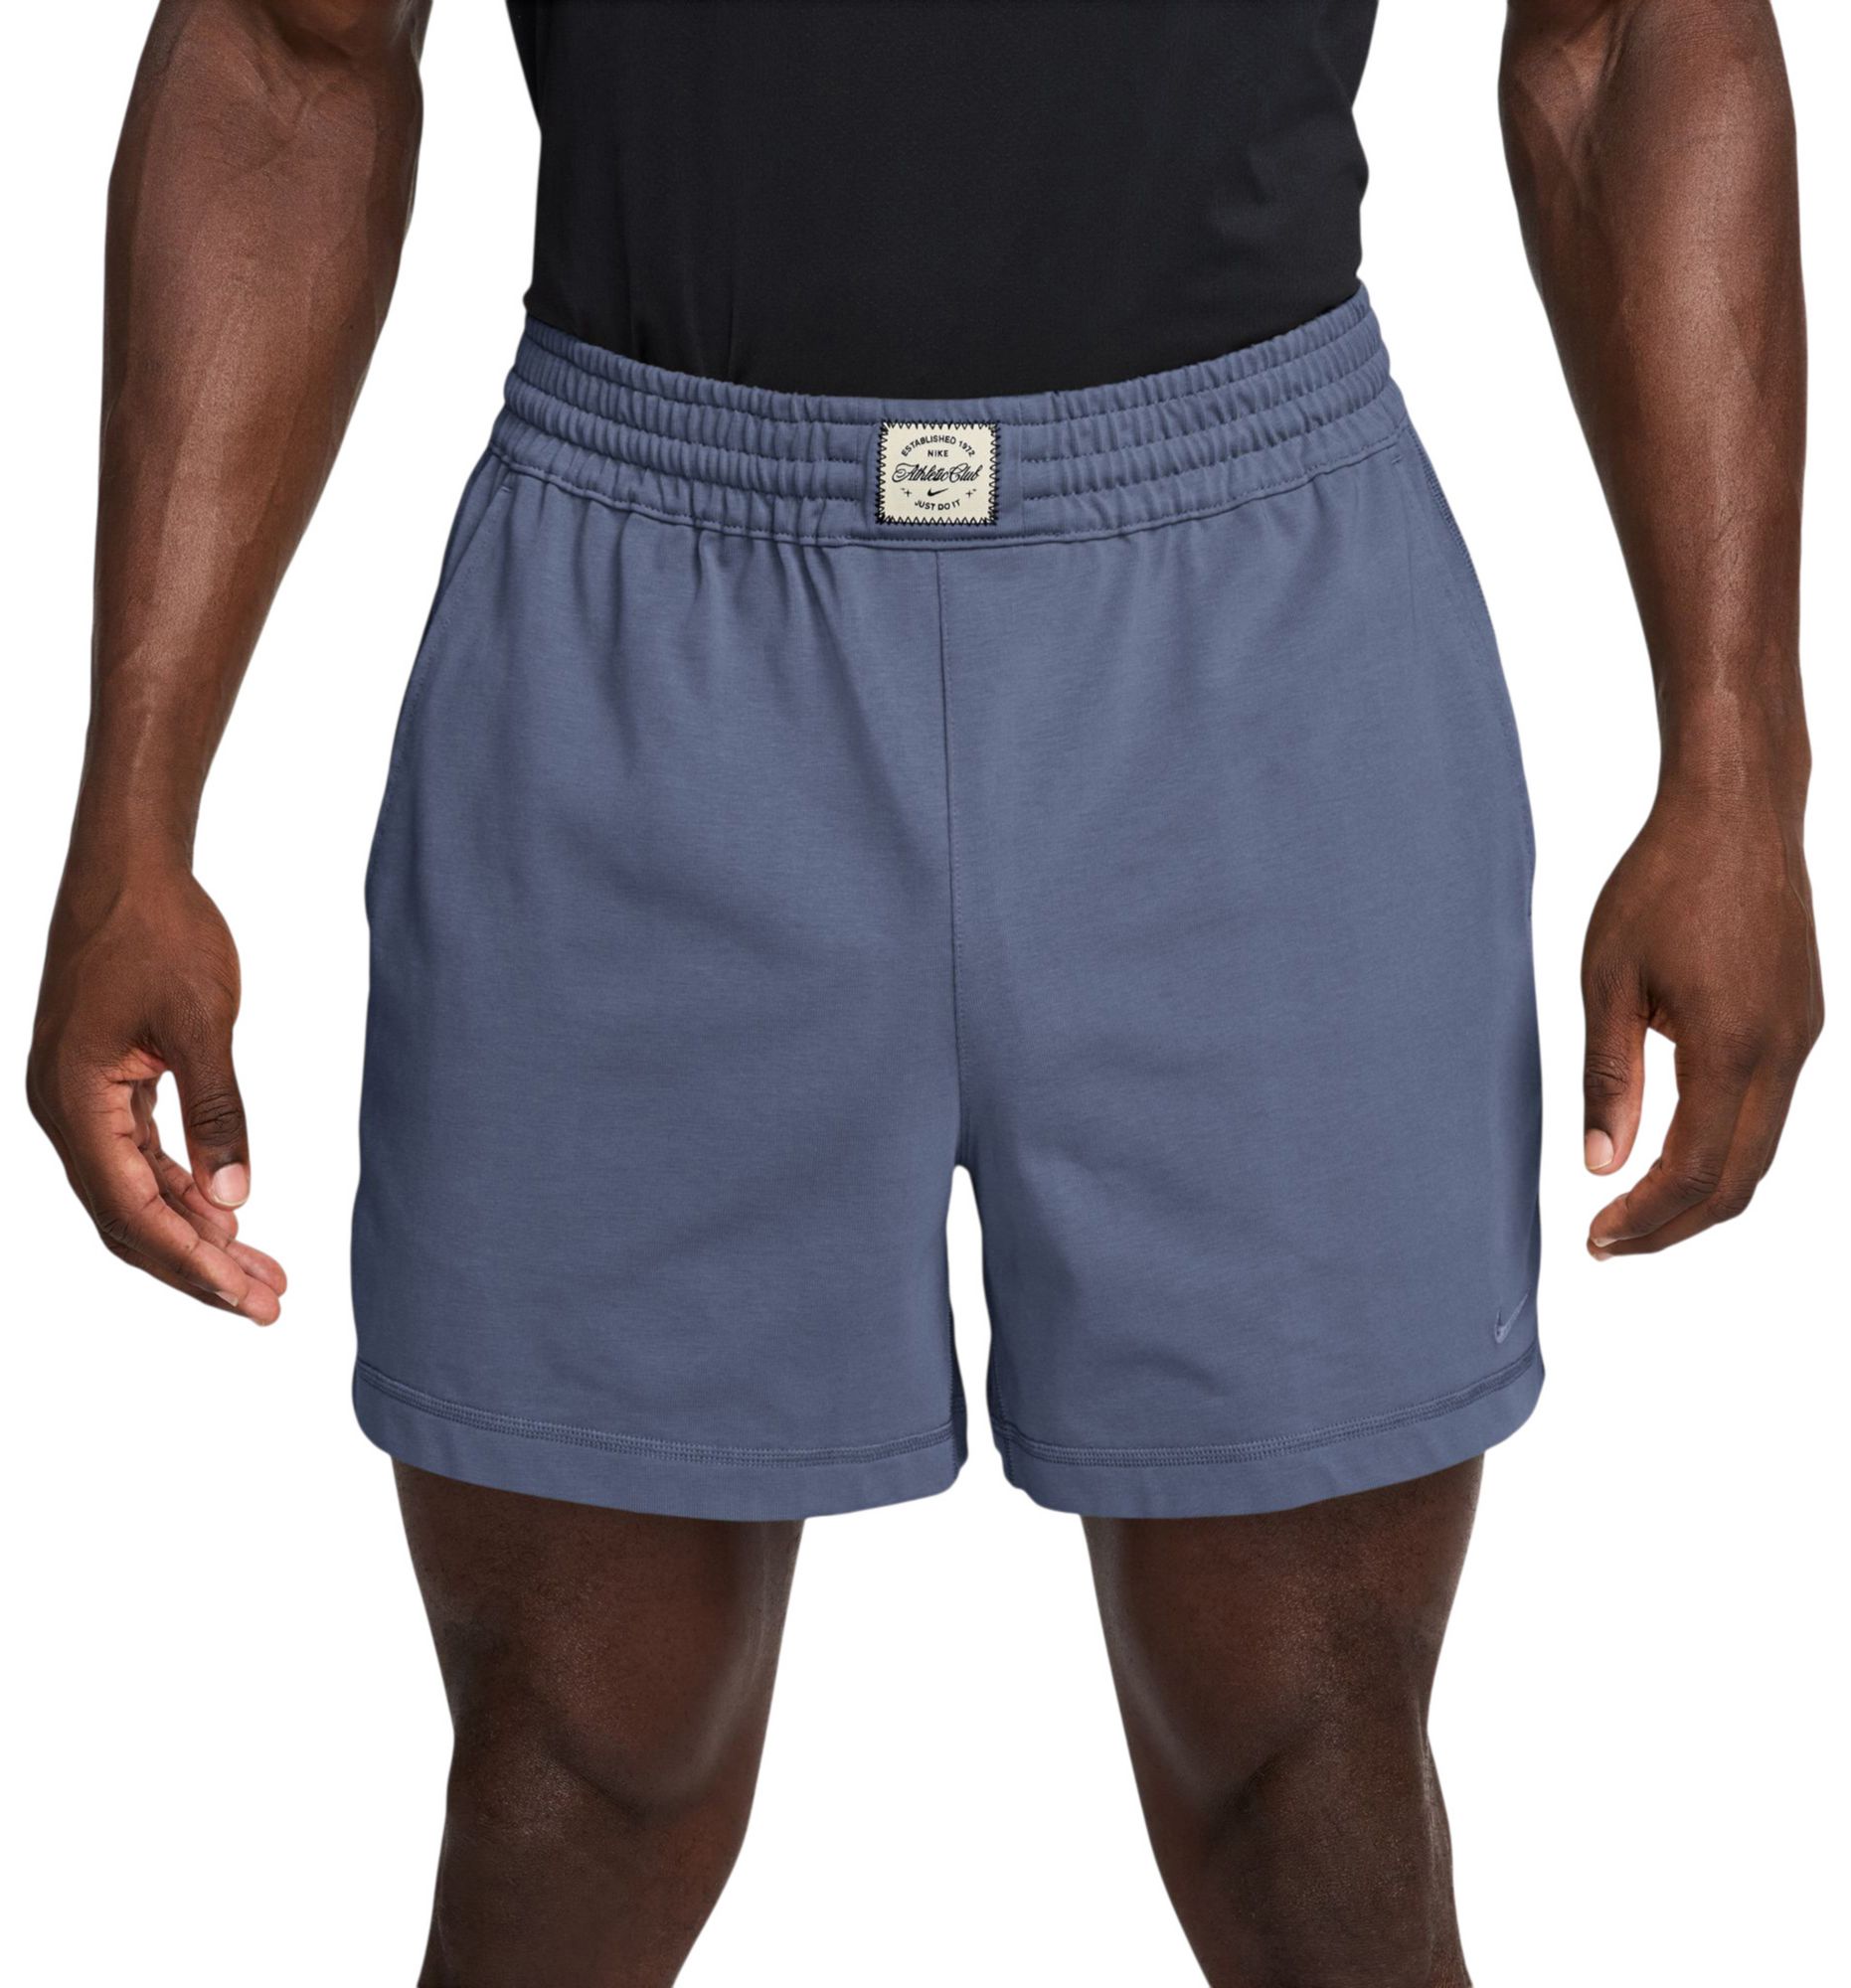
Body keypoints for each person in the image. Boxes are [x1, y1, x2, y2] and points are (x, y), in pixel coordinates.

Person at [27, 3, 1821, 1982]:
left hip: (1248, 621)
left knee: (1307, 1766)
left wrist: (1738, 760)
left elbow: (1626, 34)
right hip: (646, 611)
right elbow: (288, 54)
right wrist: (133, 816)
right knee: (578, 1763)